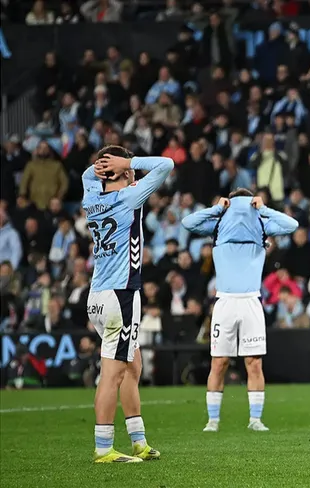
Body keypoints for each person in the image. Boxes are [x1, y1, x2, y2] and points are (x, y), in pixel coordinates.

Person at [182, 188, 299, 433]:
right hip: (225, 301)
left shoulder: (261, 226)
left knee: (253, 363)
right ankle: (213, 421)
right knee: (219, 362)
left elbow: (292, 225)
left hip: (251, 301)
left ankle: (255, 419)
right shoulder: (217, 226)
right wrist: (217, 209)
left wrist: (263, 209)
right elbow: (187, 222)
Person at [83, 146, 172, 463]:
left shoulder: (91, 195)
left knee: (133, 365)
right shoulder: (130, 197)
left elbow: (88, 174)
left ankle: (138, 441)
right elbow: (166, 164)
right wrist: (128, 162)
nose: (133, 172)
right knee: (113, 373)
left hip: (97, 295)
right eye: (128, 168)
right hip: (121, 295)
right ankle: (104, 448)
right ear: (120, 170)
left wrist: (107, 165)